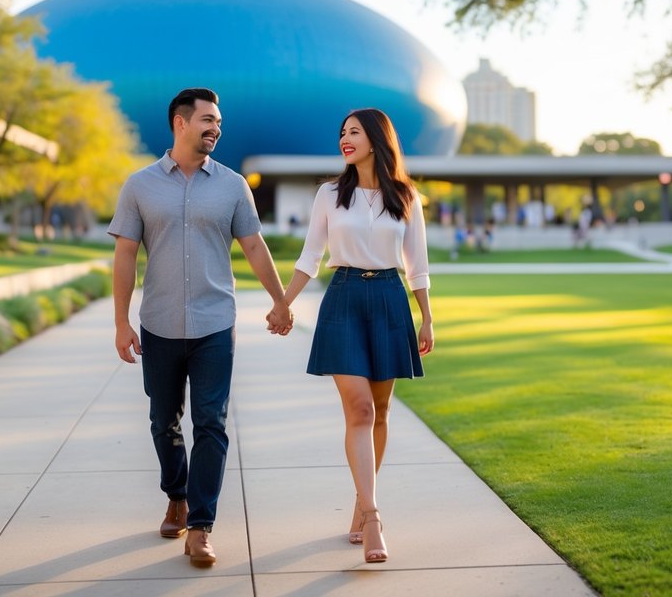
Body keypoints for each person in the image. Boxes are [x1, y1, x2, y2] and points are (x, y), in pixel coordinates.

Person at [108, 87, 293, 569]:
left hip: (215, 323)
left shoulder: (233, 185)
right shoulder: (139, 185)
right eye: (208, 120)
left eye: (219, 123)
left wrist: (280, 300)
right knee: (162, 420)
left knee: (211, 423)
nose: (216, 128)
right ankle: (177, 494)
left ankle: (201, 526)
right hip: (159, 324)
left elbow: (254, 247)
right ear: (180, 123)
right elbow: (125, 254)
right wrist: (121, 322)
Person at [280, 108, 434, 564]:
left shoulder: (406, 196)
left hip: (389, 297)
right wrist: (284, 301)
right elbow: (311, 255)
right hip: (344, 297)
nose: (345, 139)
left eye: (354, 132)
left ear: (377, 140)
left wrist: (427, 316)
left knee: (381, 410)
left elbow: (417, 264)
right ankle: (372, 517)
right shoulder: (329, 194)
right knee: (360, 407)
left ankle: (359, 502)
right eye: (342, 133)